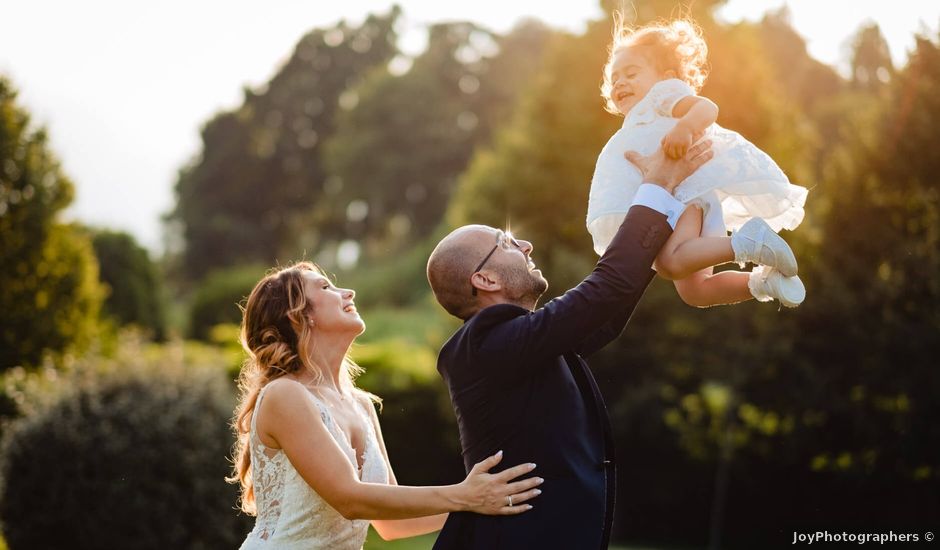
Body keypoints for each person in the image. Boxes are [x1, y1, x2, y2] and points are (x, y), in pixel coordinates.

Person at [426, 138, 713, 549]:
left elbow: (605, 315)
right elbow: (605, 289)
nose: (524, 244)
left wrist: (666, 208)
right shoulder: (485, 346)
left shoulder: (519, 346)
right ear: (485, 280)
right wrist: (655, 188)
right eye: (506, 243)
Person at [229, 262, 544, 550]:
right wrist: (464, 494)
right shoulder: (285, 395)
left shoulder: (361, 405)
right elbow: (349, 499)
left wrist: (488, 503)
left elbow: (393, 523)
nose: (348, 291)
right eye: (325, 287)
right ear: (298, 315)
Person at [588, 16, 809, 308]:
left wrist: (685, 127)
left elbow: (707, 108)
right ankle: (763, 283)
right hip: (670, 199)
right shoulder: (635, 122)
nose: (621, 83)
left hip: (685, 193)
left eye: (631, 73)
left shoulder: (661, 97)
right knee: (694, 292)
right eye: (614, 79)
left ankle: (749, 242)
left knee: (670, 262)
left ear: (665, 77)